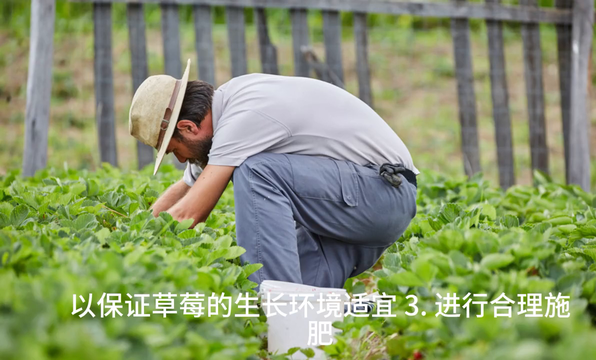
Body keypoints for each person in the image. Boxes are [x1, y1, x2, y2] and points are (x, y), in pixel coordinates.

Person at [128, 60, 419, 289]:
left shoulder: (243, 118)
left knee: (256, 171)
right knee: (301, 310)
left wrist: (128, 260)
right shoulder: (228, 110)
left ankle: (272, 293)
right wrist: (134, 233)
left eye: (172, 149)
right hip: (351, 209)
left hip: (382, 193)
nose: (180, 159)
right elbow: (187, 186)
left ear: (189, 128)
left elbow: (187, 215)